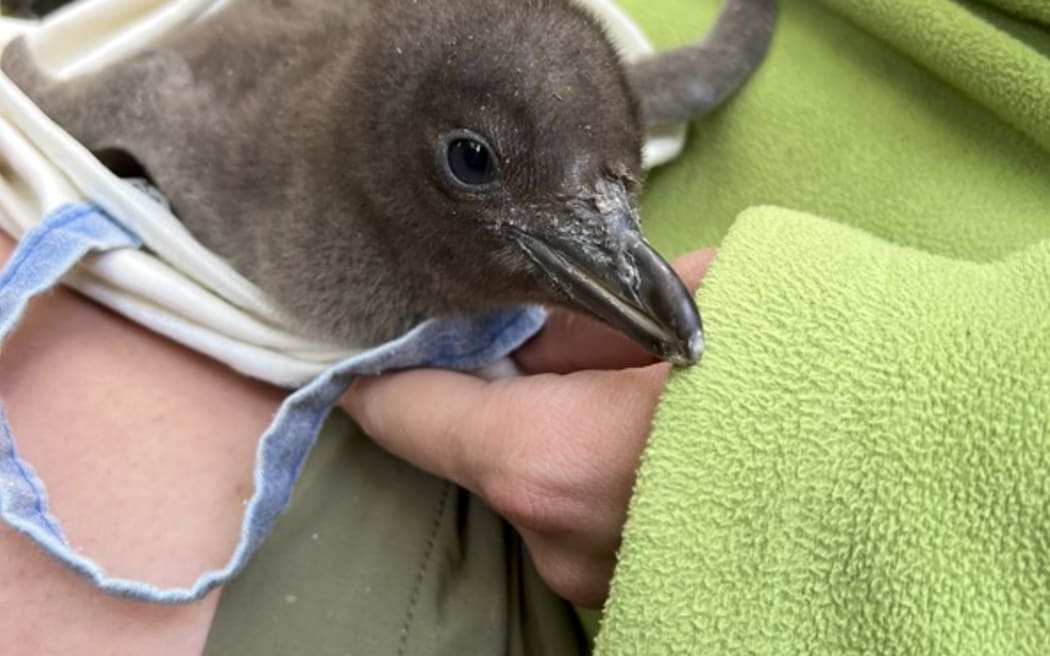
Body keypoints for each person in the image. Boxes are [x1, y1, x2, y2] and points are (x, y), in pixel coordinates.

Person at [1, 1, 1048, 655]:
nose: (603, 246)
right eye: (473, 166)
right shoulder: (254, 152)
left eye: (612, 189)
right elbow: (142, 90)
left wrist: (793, 449)